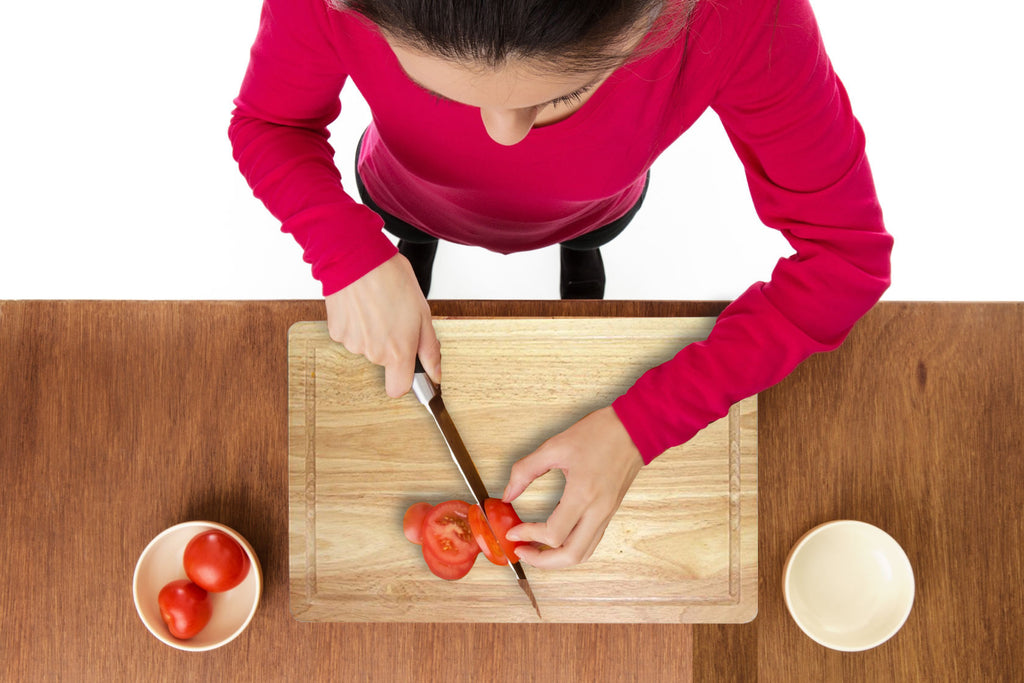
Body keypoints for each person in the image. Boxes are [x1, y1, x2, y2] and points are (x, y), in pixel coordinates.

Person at [229, 0, 892, 569]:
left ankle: (579, 250)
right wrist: (350, 253)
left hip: (595, 207)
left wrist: (644, 425)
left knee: (591, 231)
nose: (503, 136)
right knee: (406, 234)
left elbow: (846, 261)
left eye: (563, 92)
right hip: (402, 194)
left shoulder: (740, 14)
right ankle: (412, 250)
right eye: (441, 88)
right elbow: (269, 124)